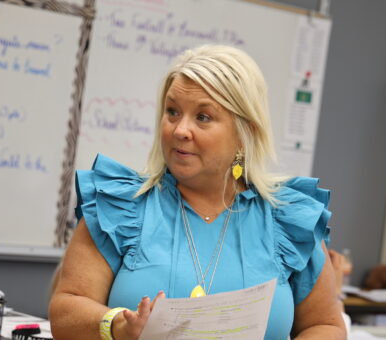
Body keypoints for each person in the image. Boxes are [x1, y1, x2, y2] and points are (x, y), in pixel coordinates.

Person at [49, 45, 345, 340]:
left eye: (203, 117)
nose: (179, 130)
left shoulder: (290, 220)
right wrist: (118, 325)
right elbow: (65, 311)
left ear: (245, 132)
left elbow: (326, 326)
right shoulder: (119, 206)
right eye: (172, 112)